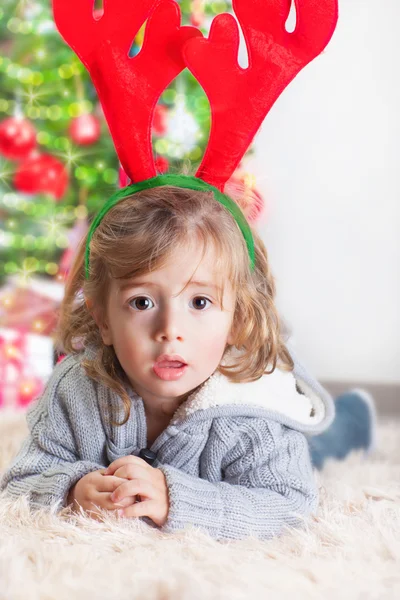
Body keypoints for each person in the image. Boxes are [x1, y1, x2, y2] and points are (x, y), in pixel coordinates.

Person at [0, 183, 376, 541]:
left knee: (324, 447)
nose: (170, 330)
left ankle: (355, 415)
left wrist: (175, 499)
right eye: (142, 302)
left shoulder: (253, 411)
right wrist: (71, 489)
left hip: (296, 444)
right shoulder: (77, 390)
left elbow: (289, 507)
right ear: (103, 319)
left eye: (200, 302)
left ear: (237, 319)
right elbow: (20, 481)